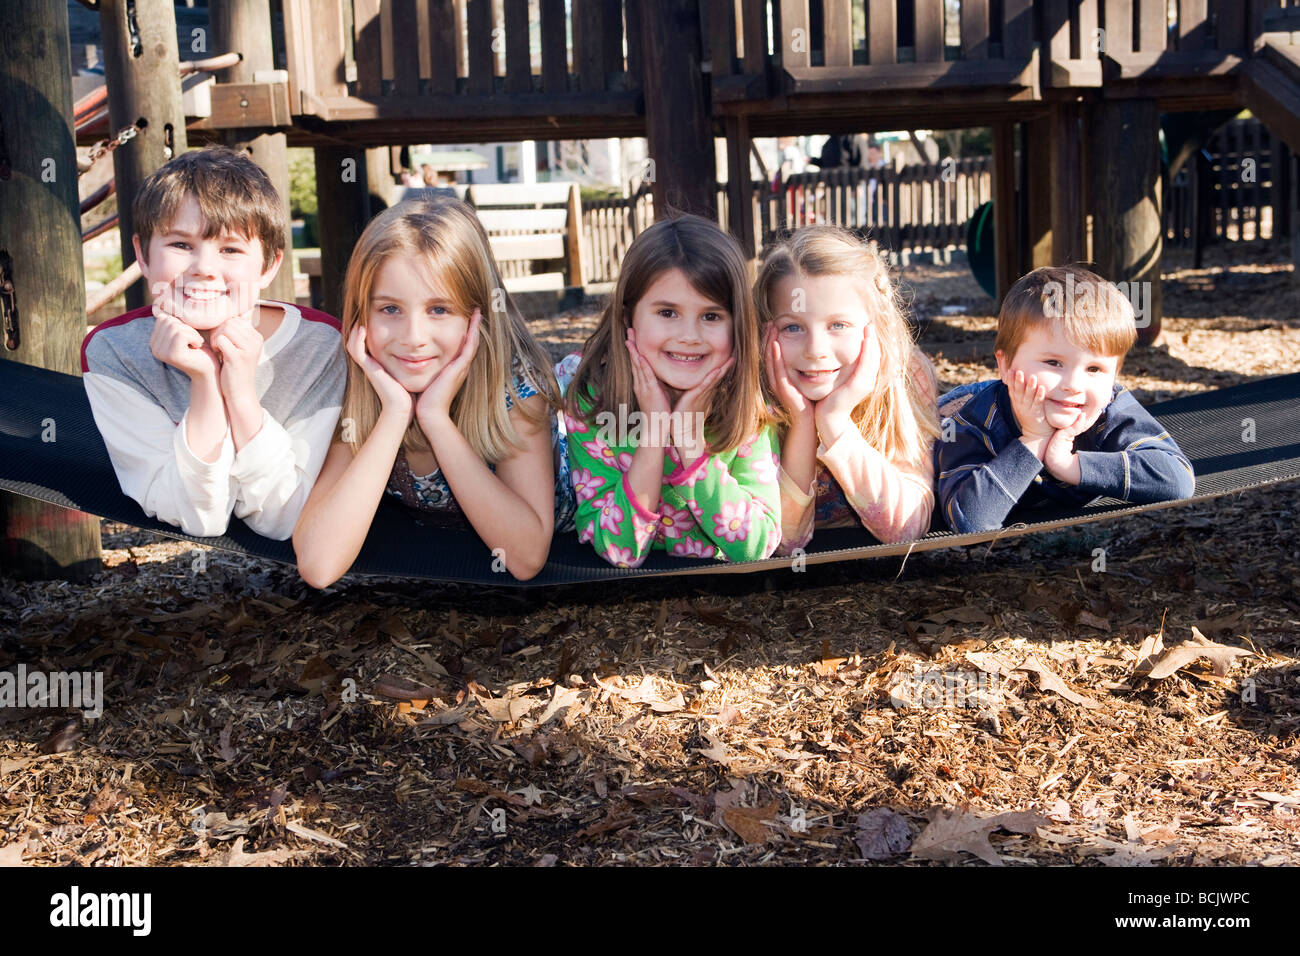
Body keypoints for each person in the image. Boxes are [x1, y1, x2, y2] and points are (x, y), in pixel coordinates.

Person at [293, 198, 571, 585]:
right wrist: (393, 414)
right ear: (361, 315)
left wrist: (436, 420)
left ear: (479, 316)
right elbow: (319, 565)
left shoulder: (516, 390)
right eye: (390, 309)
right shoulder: (359, 386)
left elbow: (525, 558)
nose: (413, 339)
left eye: (439, 309)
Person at [82, 146, 344, 540]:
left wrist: (240, 392)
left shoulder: (320, 345)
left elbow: (282, 518)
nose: (204, 269)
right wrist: (205, 383)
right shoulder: (114, 351)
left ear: (269, 265)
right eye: (181, 245)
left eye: (230, 249)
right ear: (143, 255)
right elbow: (200, 519)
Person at [556, 215, 782, 567]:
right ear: (629, 316)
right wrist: (655, 431)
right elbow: (619, 551)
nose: (689, 335)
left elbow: (756, 546)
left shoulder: (748, 400)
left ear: (738, 323)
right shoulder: (591, 398)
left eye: (711, 316)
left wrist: (691, 445)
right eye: (667, 312)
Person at [934, 265, 1196, 534]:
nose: (1073, 385)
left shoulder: (1109, 408)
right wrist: (1033, 440)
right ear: (1005, 365)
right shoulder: (973, 421)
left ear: (1115, 377)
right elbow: (969, 520)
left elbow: (1177, 480)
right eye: (1053, 362)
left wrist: (1070, 466)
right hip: (946, 412)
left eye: (1094, 369)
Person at [756, 226, 939, 552]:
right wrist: (802, 424)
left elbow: (907, 527)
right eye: (793, 327)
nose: (815, 349)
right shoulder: (752, 394)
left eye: (837, 325)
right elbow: (783, 545)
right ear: (763, 330)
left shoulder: (906, 377)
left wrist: (835, 422)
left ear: (876, 326)